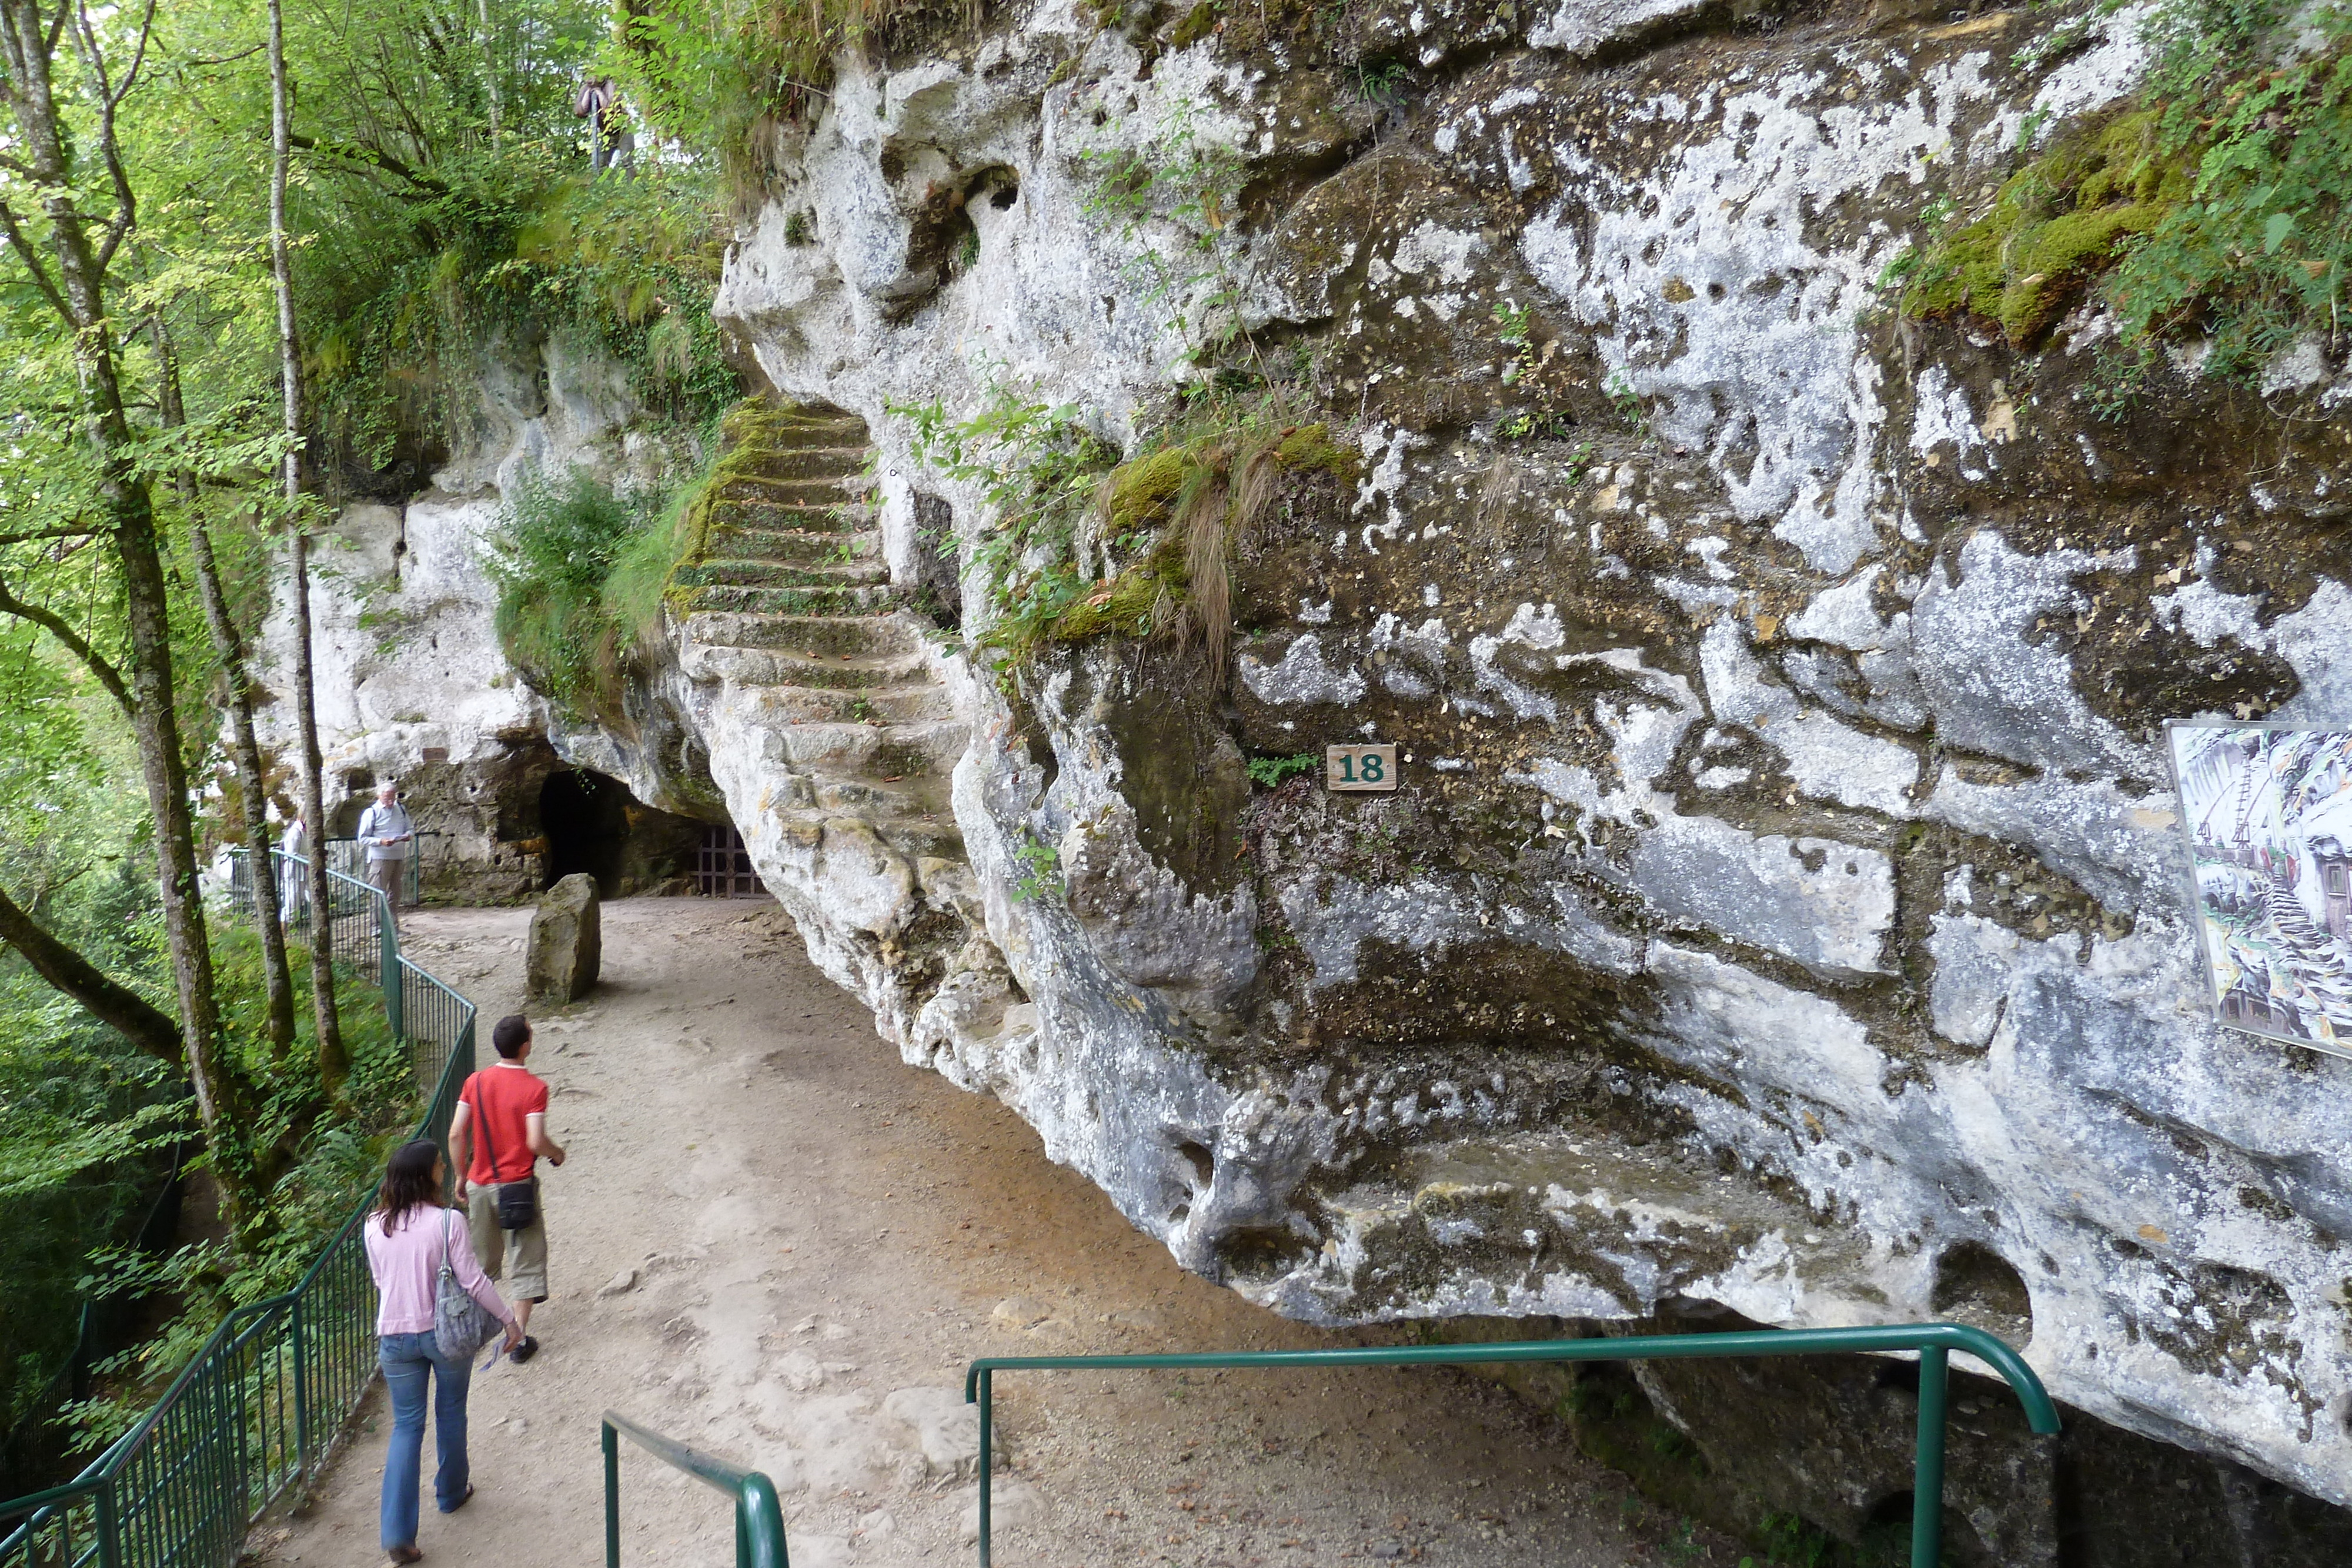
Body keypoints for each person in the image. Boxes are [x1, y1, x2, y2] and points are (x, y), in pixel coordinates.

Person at [363, 1138, 522, 1566]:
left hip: (394, 1337)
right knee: (451, 1409)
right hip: (443, 1334)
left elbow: (382, 1282)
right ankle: (451, 1492)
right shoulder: (448, 1221)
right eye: (439, 1164)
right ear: (424, 1174)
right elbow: (472, 1280)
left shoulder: (373, 1225)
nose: (445, 1169)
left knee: (406, 1427)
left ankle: (397, 1532)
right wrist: (509, 1319)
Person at [448, 1014, 565, 1363]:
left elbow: (456, 1133)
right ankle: (518, 1339)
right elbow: (535, 1141)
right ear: (526, 1046)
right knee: (526, 1260)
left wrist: (460, 1175)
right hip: (517, 1188)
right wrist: (556, 1154)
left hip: (479, 1184)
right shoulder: (535, 1088)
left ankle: (468, 1331)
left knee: (482, 1264)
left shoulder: (475, 1082)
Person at [355, 783, 415, 928]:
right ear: (379, 796)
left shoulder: (400, 809)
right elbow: (362, 837)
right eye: (387, 799)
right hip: (380, 857)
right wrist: (380, 841)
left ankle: (393, 927)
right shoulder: (372, 812)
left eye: (392, 799)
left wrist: (408, 836)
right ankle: (376, 926)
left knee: (395, 893)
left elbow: (410, 828)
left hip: (398, 856)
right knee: (378, 892)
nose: (390, 802)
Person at [278, 808, 309, 925]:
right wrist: (311, 859)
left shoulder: (304, 832)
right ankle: (284, 934)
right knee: (291, 902)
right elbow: (291, 855)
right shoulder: (295, 832)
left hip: (302, 872)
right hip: (293, 872)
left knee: (301, 900)